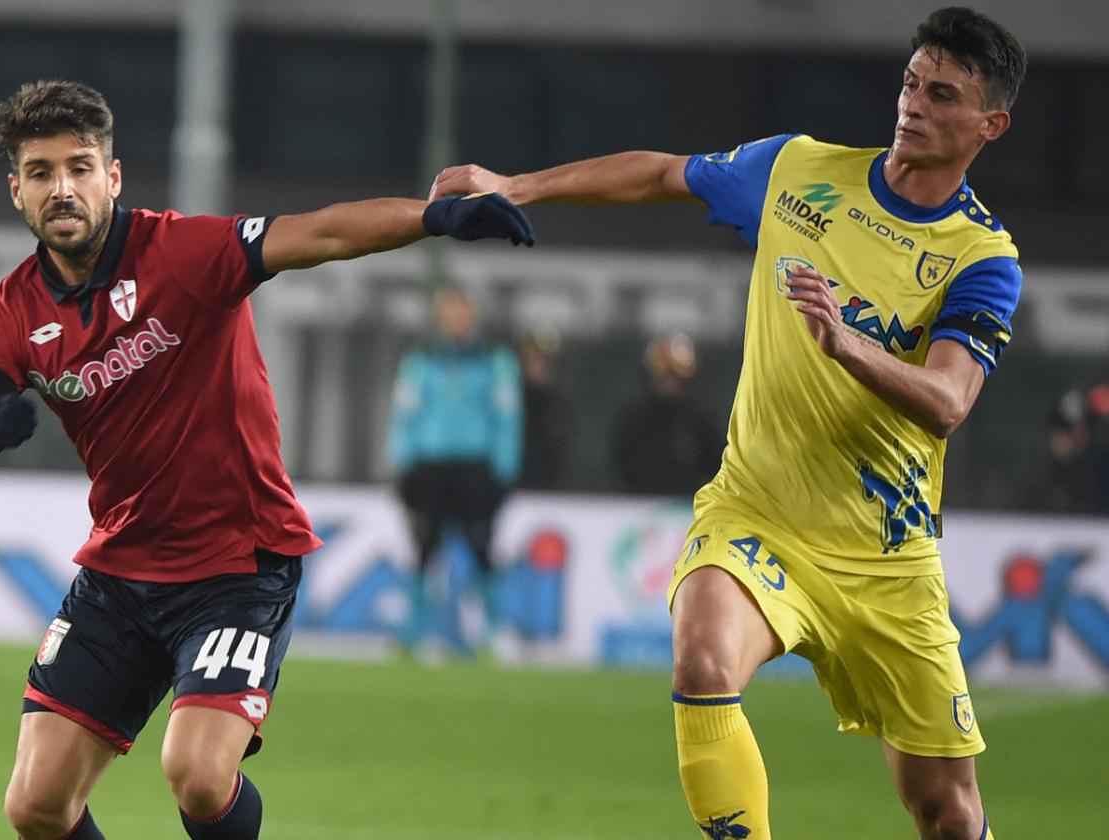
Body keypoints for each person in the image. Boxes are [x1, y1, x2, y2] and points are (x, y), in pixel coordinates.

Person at [431, 8, 1023, 839]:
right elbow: (661, 174)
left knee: (945, 811)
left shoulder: (981, 258)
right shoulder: (799, 171)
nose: (913, 104)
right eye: (909, 82)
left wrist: (846, 344)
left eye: (943, 94)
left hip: (884, 560)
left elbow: (949, 401)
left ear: (990, 125)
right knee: (703, 661)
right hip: (757, 512)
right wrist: (518, 185)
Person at [0, 80, 533, 840]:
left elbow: (321, 234)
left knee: (199, 773)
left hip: (237, 567)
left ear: (112, 177)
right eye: (43, 172)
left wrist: (434, 217)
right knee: (36, 805)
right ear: (16, 190)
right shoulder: (6, 312)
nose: (64, 188)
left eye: (81, 167)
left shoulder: (182, 252)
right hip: (121, 575)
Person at [388, 285, 522, 656]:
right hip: (431, 465)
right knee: (423, 549)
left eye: (460, 311)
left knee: (481, 548)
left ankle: (494, 633)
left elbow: (507, 418)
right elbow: (405, 415)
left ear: (472, 315)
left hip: (475, 466)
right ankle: (412, 635)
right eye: (448, 312)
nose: (454, 320)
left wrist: (504, 470)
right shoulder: (421, 358)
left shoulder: (495, 359)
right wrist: (402, 463)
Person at [611, 332, 723, 497]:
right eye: (663, 378)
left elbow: (716, 467)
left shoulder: (701, 422)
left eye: (676, 379)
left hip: (688, 509)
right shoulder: (634, 420)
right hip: (638, 508)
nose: (670, 385)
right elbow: (621, 466)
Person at [517, 327, 568, 490]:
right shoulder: (511, 403)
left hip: (553, 490)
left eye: (543, 360)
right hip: (515, 490)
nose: (538, 366)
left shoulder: (559, 404)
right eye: (533, 360)